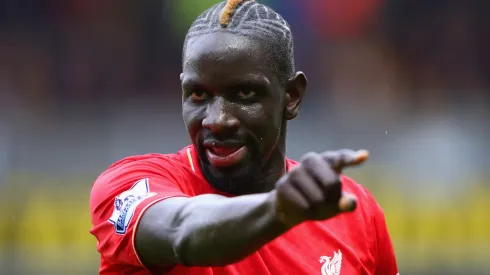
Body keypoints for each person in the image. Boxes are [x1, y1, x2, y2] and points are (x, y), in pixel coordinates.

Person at [89, 0, 399, 274]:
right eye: (198, 94)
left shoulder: (355, 213)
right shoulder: (127, 185)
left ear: (291, 97)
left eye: (245, 93)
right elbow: (183, 230)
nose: (218, 120)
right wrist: (278, 210)